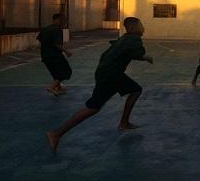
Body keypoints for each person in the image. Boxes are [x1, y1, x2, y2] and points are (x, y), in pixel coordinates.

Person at [46, 17, 153, 154]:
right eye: (141, 25)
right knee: (93, 107)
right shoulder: (134, 39)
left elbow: (124, 53)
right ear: (134, 28)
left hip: (106, 73)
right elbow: (138, 52)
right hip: (111, 74)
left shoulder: (124, 39)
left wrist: (143, 58)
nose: (143, 28)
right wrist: (145, 57)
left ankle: (124, 122)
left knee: (135, 90)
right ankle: (56, 134)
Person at [37, 13, 73, 96]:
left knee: (55, 73)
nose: (64, 22)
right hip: (54, 56)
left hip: (45, 56)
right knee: (66, 71)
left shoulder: (46, 29)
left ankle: (58, 88)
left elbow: (39, 40)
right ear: (56, 19)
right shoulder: (56, 30)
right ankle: (51, 87)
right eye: (62, 20)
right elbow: (57, 44)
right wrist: (66, 51)